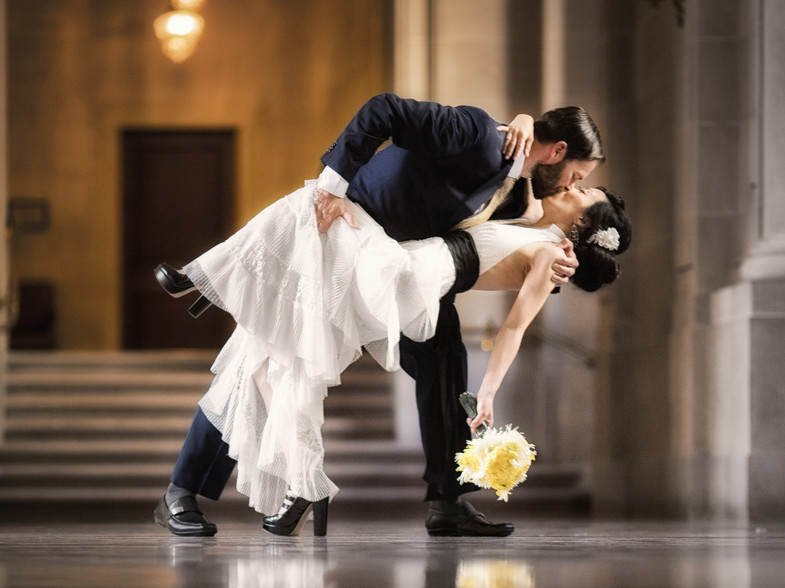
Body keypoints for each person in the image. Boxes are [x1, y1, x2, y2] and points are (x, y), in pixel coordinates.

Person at [153, 95, 604, 539]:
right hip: (344, 238)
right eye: (575, 178)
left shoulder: (520, 195)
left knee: (444, 363)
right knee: (257, 354)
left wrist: (563, 262)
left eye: (578, 185)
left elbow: (523, 245)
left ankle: (446, 503)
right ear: (559, 152)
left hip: (399, 273)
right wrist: (334, 185)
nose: (568, 186)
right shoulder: (477, 133)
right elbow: (383, 110)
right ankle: (183, 491)